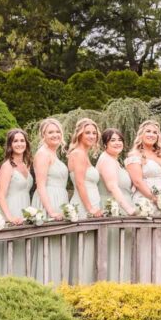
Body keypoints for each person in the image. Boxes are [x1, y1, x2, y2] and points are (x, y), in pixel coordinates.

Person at [126, 119, 161, 287]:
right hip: (146, 202)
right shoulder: (134, 156)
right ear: (141, 135)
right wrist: (155, 199)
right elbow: (137, 182)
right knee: (147, 242)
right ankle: (146, 283)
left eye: (155, 132)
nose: (151, 134)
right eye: (148, 131)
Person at [97, 128, 136, 281]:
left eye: (119, 139)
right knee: (113, 250)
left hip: (121, 205)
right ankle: (113, 282)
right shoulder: (106, 160)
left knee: (121, 250)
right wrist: (129, 209)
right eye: (112, 140)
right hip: (115, 208)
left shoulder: (114, 160)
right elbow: (112, 187)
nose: (117, 143)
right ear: (105, 143)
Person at [67, 118, 103, 283]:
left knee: (91, 246)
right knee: (84, 245)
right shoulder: (78, 154)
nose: (91, 136)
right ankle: (81, 283)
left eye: (94, 133)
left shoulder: (84, 154)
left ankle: (89, 282)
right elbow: (80, 183)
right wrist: (89, 208)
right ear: (80, 134)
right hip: (84, 205)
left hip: (91, 203)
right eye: (87, 132)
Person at [33, 118, 68, 284]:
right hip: (48, 201)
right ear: (43, 135)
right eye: (50, 132)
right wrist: (51, 211)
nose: (55, 135)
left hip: (59, 198)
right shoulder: (42, 154)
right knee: (47, 247)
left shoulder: (55, 154)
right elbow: (40, 186)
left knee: (57, 246)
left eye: (57, 131)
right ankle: (44, 284)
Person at [0, 128, 35, 276]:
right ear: (10, 145)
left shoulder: (26, 164)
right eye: (15, 141)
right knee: (10, 250)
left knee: (23, 250)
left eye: (22, 140)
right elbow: (0, 195)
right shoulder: (7, 166)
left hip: (25, 207)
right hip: (11, 209)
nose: (19, 144)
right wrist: (9, 217)